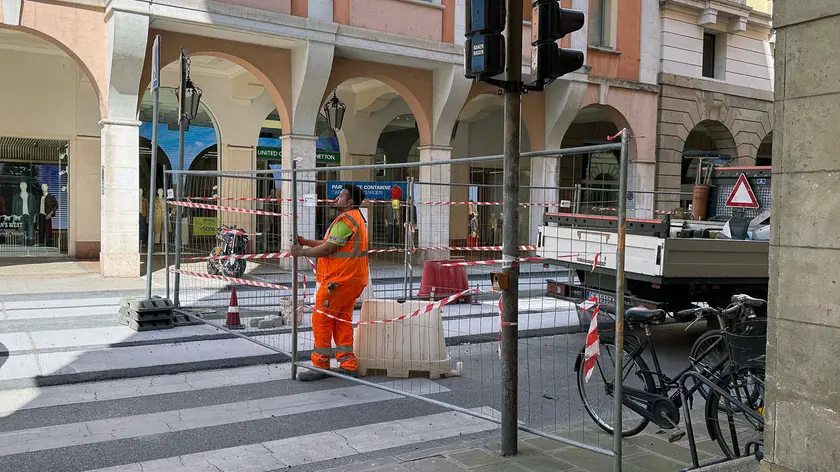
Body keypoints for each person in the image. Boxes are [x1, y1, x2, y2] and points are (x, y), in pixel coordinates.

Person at [291, 184, 369, 381]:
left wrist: (302, 252)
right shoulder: (355, 219)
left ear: (350, 202)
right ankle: (348, 363)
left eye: (342, 195)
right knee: (341, 320)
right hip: (352, 279)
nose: (337, 198)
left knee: (321, 319)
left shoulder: (347, 220)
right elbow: (330, 245)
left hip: (339, 280)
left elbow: (328, 249)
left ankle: (320, 365)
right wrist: (307, 242)